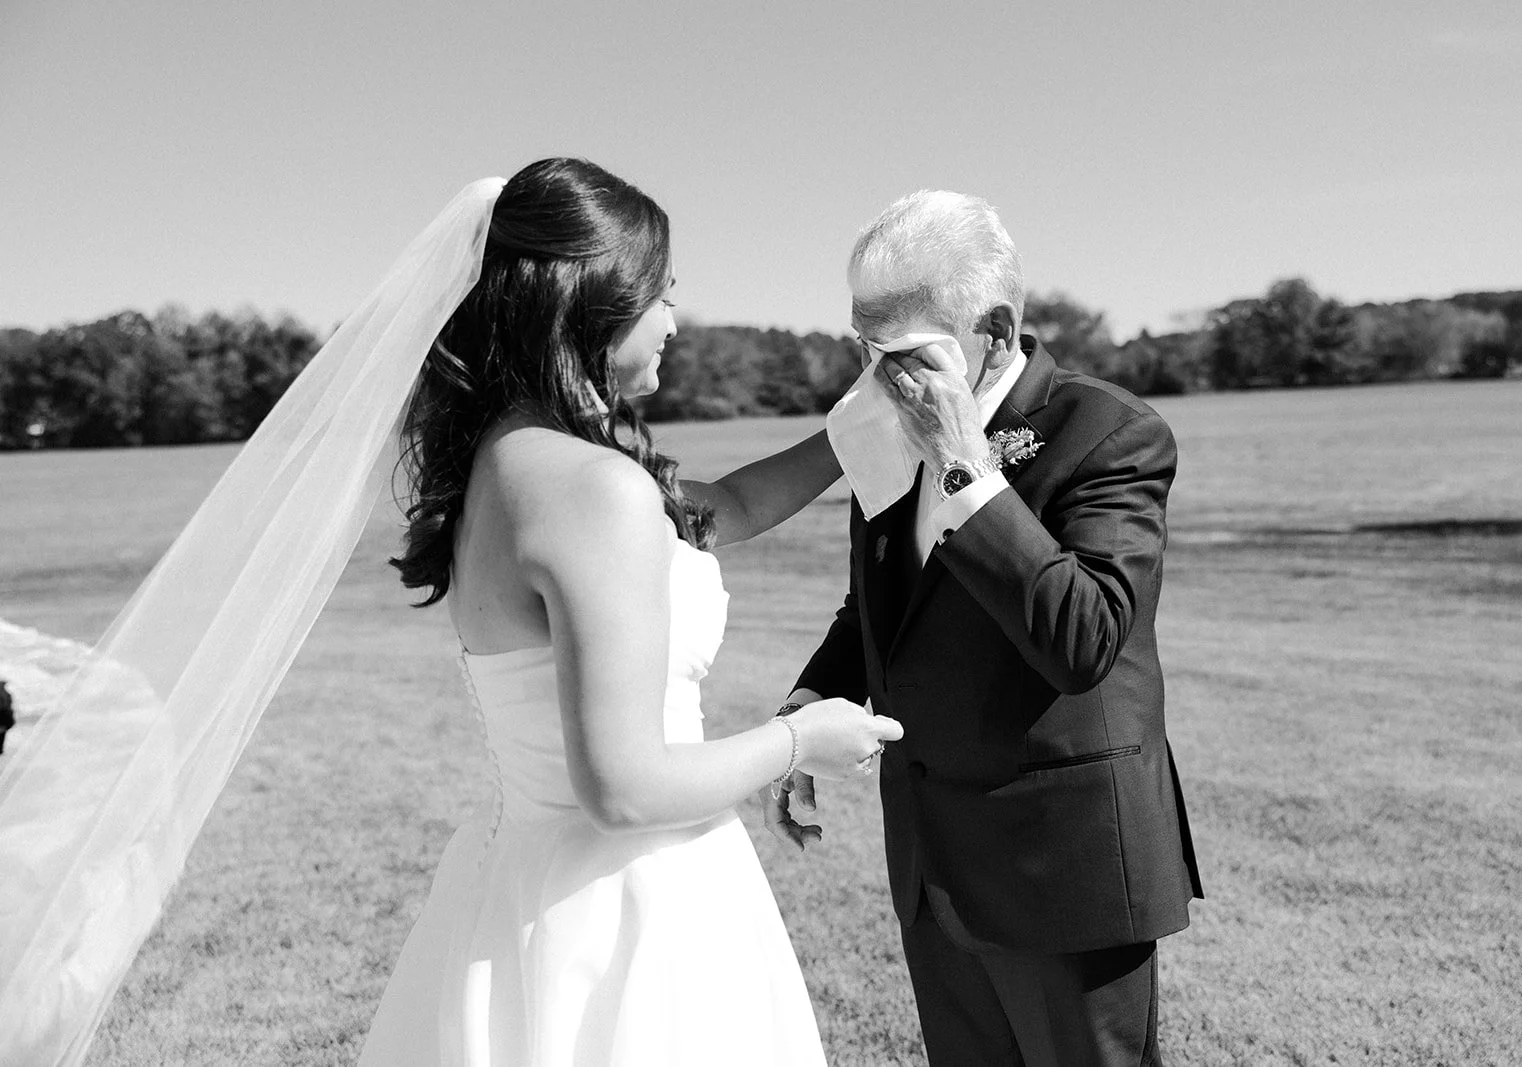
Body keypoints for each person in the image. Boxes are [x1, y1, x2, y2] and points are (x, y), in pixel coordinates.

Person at [0, 159, 900, 1067]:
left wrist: (861, 424)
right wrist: (803, 738)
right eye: (662, 296)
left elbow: (731, 507)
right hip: (631, 909)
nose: (674, 321)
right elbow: (625, 788)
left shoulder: (504, 466)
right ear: (593, 301)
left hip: (518, 890)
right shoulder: (597, 492)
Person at [767, 190, 1203, 1066]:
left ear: (995, 329)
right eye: (863, 346)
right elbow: (883, 601)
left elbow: (1084, 637)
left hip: (1064, 871)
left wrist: (965, 464)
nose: (876, 376)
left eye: (900, 351)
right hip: (934, 866)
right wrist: (807, 704)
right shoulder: (883, 425)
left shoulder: (1110, 431)